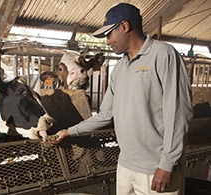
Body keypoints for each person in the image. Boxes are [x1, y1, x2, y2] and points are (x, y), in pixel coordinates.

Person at [47, 3, 193, 195]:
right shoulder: (119, 69)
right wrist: (69, 132)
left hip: (156, 169)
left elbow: (179, 114)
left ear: (124, 26)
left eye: (109, 34)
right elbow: (106, 114)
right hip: (125, 166)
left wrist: (167, 164)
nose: (107, 41)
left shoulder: (164, 55)